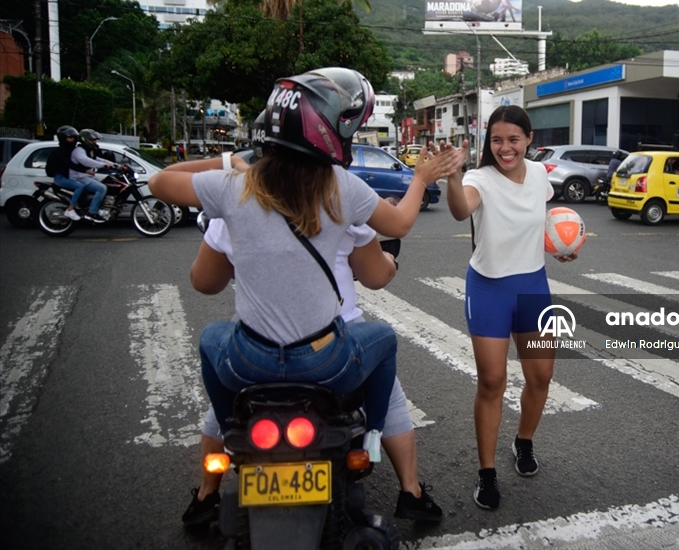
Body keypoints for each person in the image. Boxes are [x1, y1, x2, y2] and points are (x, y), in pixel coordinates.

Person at [148, 68, 456, 468]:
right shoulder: (341, 187)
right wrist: (420, 178)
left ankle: (230, 432)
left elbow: (158, 182)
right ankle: (374, 437)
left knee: (210, 337)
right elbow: (399, 225)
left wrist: (229, 160)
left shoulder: (233, 187)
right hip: (325, 363)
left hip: (248, 363)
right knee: (384, 338)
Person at [182, 214, 443, 526]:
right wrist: (388, 258)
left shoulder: (236, 209)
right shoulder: (342, 204)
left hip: (258, 350)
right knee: (393, 396)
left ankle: (208, 492)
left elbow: (204, 281)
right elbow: (377, 275)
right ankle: (409, 489)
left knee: (222, 401)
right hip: (331, 352)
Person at [439, 105, 577, 511]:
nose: (505, 148)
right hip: (489, 290)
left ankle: (523, 442)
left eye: (513, 139)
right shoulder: (479, 179)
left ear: (529, 139)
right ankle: (486, 473)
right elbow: (461, 208)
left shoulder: (539, 175)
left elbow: (543, 218)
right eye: (496, 140)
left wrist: (560, 247)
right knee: (492, 382)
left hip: (533, 286)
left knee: (542, 375)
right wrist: (452, 175)